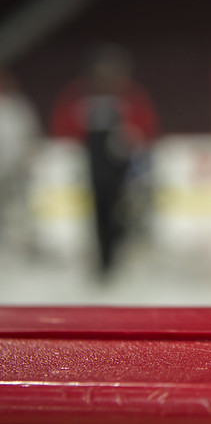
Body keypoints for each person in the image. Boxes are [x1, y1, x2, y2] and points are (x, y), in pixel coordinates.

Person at [50, 45, 158, 276]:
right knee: (100, 211)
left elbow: (146, 127)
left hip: (123, 167)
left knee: (121, 211)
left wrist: (132, 137)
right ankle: (104, 259)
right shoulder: (78, 95)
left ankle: (116, 251)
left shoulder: (131, 95)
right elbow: (64, 127)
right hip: (94, 165)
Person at [0, 68, 40, 250]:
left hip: (17, 167)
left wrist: (29, 158)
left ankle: (20, 243)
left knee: (19, 209)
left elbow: (31, 134)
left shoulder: (20, 106)